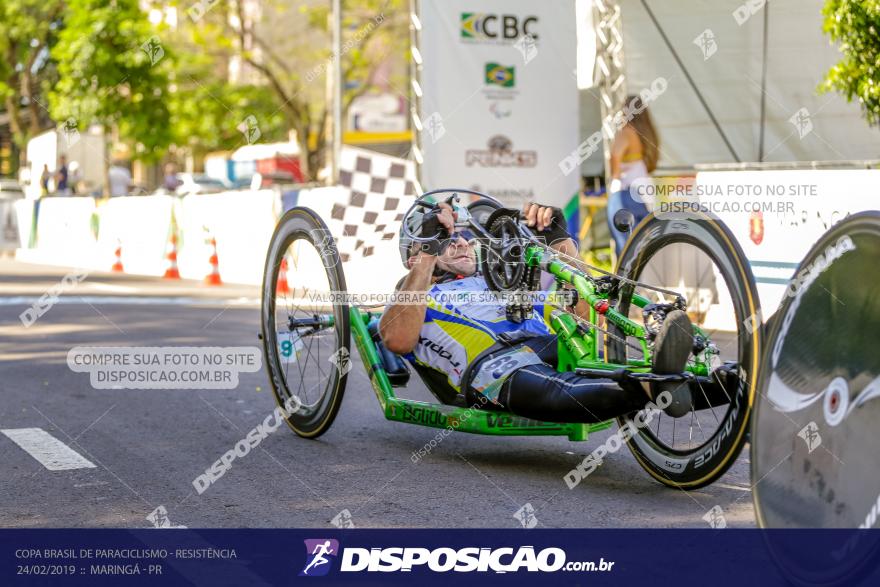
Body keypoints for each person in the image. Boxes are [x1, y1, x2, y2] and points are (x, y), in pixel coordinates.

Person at [379, 201, 695, 423]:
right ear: (415, 258)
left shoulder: (504, 281)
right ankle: (654, 384)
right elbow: (397, 340)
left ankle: (723, 381)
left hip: (546, 344)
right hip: (494, 366)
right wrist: (428, 256)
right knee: (557, 388)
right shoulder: (417, 295)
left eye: (462, 238)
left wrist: (561, 242)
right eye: (447, 242)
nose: (461, 244)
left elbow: (585, 322)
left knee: (599, 359)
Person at [607, 95, 659, 256]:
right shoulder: (647, 133)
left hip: (626, 193)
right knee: (641, 248)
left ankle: (626, 282)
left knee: (625, 249)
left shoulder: (626, 132)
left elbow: (615, 155)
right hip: (644, 194)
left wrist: (615, 177)